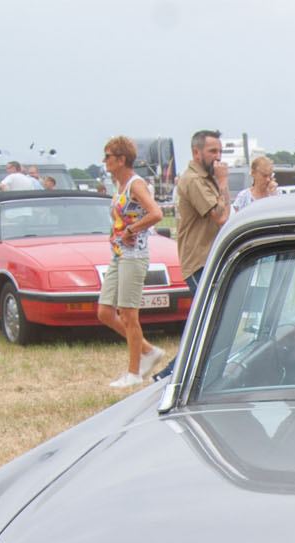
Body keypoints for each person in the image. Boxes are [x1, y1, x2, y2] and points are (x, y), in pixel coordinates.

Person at [95, 136, 166, 389]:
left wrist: (131, 230)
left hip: (134, 255)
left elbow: (156, 213)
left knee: (128, 314)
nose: (105, 161)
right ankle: (148, 350)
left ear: (121, 159)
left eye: (108, 156)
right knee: (105, 311)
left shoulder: (136, 185)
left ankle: (134, 372)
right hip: (119, 254)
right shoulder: (119, 185)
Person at [176, 129, 230, 296]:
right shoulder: (193, 180)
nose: (218, 157)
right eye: (213, 151)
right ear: (196, 153)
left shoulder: (206, 178)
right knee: (209, 313)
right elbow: (220, 217)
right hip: (199, 263)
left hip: (211, 259)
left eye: (220, 151)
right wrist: (223, 181)